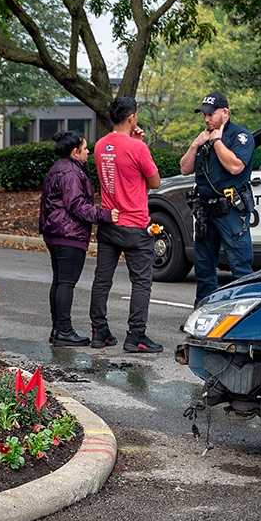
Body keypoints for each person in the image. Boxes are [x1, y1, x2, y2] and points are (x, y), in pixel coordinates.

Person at [88, 97, 163, 353]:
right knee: (141, 281)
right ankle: (136, 335)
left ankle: (99, 331)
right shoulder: (137, 148)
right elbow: (154, 182)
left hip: (109, 221)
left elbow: (118, 169)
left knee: (102, 279)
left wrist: (135, 141)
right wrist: (139, 145)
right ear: (132, 117)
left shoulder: (100, 146)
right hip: (134, 223)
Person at [38, 130, 118, 345]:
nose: (88, 151)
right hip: (68, 234)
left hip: (55, 233)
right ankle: (64, 330)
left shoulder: (59, 168)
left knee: (59, 282)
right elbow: (77, 205)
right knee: (66, 283)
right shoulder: (72, 172)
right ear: (75, 151)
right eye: (85, 148)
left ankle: (58, 330)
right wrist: (105, 215)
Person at [180, 91, 256, 304]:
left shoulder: (240, 136)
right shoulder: (204, 137)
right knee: (203, 266)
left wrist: (216, 142)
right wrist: (196, 145)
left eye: (211, 114)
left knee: (240, 266)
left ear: (225, 112)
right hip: (205, 211)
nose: (206, 119)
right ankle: (203, 314)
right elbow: (185, 168)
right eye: (204, 115)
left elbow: (235, 166)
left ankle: (243, 316)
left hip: (230, 211)